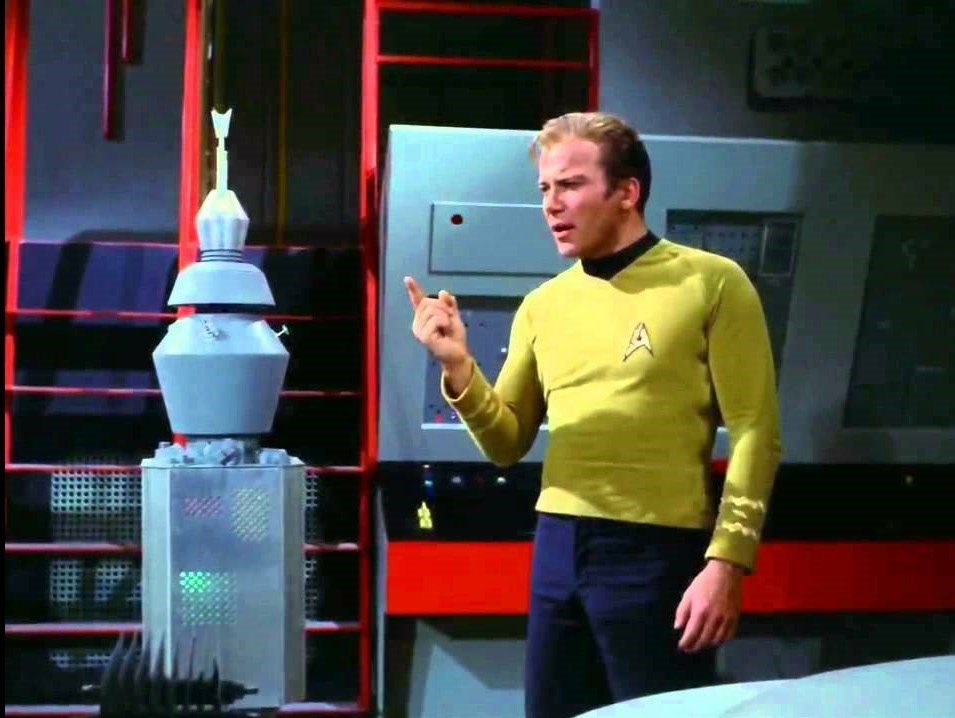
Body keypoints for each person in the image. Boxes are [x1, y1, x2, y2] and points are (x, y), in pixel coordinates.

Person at [404, 112, 782, 718]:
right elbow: (506, 441)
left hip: (657, 551)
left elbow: (756, 432)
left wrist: (728, 562)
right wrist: (458, 368)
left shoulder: (711, 283)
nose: (552, 204)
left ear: (626, 191)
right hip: (557, 544)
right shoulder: (543, 306)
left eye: (571, 185)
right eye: (545, 189)